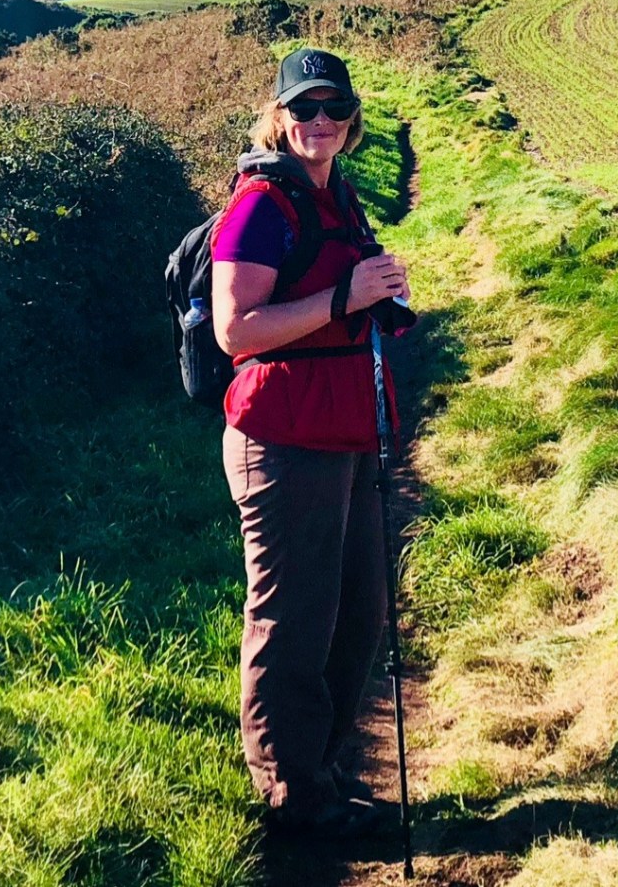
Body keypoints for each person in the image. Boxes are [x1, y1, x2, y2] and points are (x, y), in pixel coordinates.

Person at [210, 47, 410, 837]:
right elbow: (236, 331)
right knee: (294, 619)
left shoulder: (338, 194)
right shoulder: (262, 205)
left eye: (334, 109)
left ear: (353, 118)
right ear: (280, 116)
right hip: (283, 438)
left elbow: (344, 296)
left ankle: (321, 772)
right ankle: (293, 798)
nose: (320, 122)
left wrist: (378, 293)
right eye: (305, 109)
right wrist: (342, 295)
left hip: (349, 427)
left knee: (357, 613)